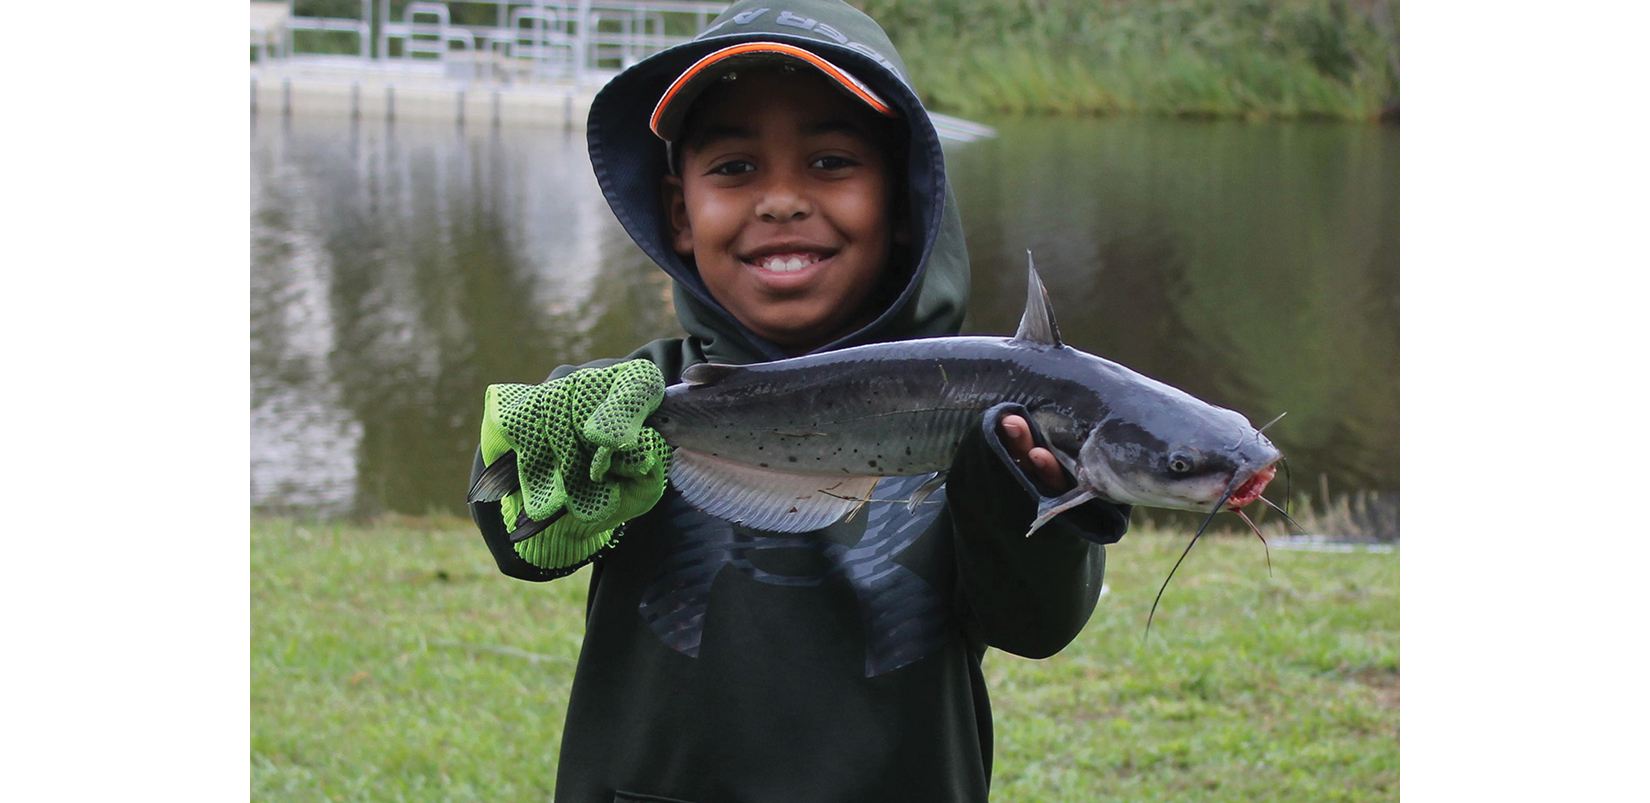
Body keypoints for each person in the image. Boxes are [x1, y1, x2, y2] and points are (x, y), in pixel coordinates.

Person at [469, 1, 1129, 799]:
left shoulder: (988, 410)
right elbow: (513, 532)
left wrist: (1043, 497)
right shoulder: (638, 397)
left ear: (903, 203)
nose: (780, 199)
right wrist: (548, 464)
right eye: (734, 168)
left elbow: (1038, 624)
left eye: (830, 162)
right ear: (681, 214)